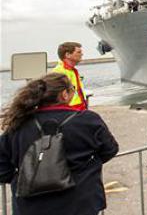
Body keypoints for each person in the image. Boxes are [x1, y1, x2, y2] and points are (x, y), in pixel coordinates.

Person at [0, 73, 119, 215]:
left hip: (31, 206)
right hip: (80, 201)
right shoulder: (87, 120)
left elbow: (2, 167)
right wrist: (86, 168)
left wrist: (26, 176)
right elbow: (110, 149)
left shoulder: (19, 124)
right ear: (64, 94)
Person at [52, 42, 88, 110]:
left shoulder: (72, 70)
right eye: (78, 52)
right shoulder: (59, 72)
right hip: (70, 109)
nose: (82, 54)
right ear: (68, 54)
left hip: (79, 107)